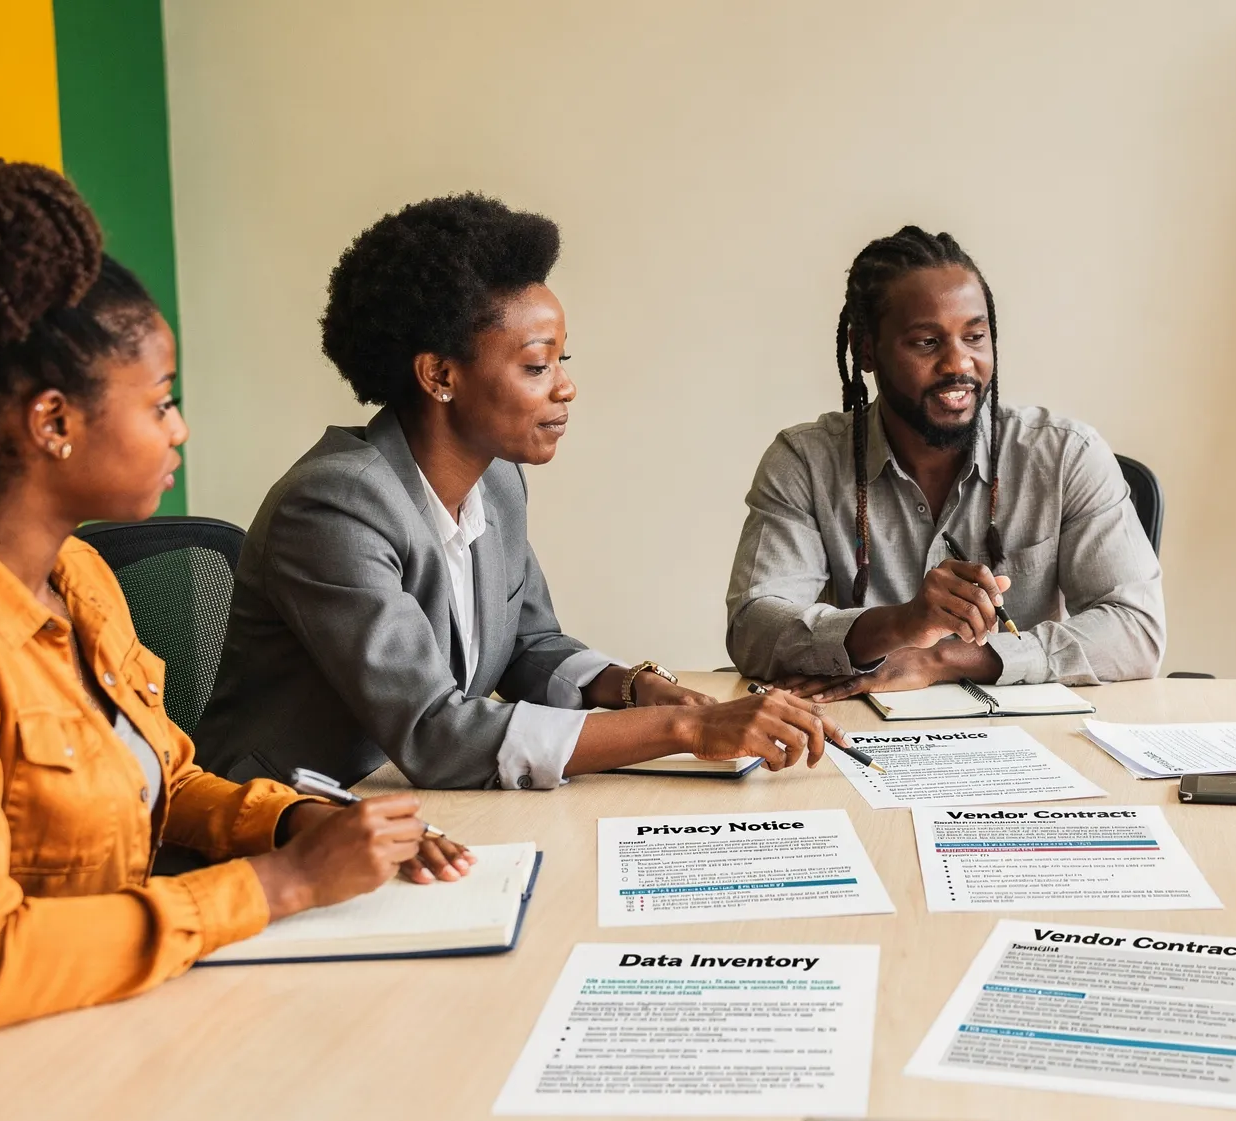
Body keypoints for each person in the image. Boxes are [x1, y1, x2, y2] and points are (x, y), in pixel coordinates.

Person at [0, 162, 460, 1073]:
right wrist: (279, 885)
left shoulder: (75, 575)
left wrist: (294, 824)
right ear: (53, 422)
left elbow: (159, 777)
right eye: (161, 402)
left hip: (101, 1023)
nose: (179, 430)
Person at [196, 194, 840, 790]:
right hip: (281, 818)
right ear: (440, 375)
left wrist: (635, 688)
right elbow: (435, 733)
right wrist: (689, 729)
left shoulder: (497, 483)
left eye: (563, 361)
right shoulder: (334, 507)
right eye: (537, 365)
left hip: (412, 807)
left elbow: (528, 647)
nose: (565, 387)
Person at [725, 225, 1166, 699]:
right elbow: (753, 627)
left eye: (974, 337)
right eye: (926, 342)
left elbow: (1136, 630)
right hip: (860, 723)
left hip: (1027, 728)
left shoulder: (1065, 456)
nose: (958, 363)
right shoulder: (805, 462)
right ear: (865, 349)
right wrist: (901, 624)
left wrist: (943, 660)